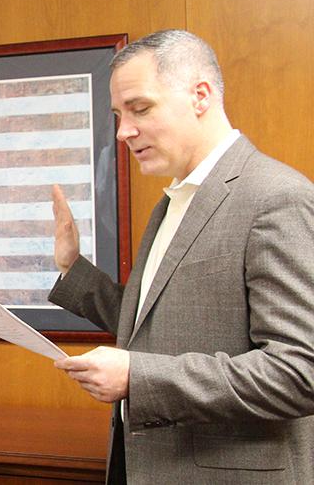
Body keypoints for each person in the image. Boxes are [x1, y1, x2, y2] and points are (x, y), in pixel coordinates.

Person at [49, 30, 314, 483]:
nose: (123, 131)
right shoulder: (173, 201)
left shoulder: (277, 198)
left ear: (201, 96)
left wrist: (138, 377)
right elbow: (162, 325)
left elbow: (298, 371)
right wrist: (74, 271)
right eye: (118, 114)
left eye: (140, 108)